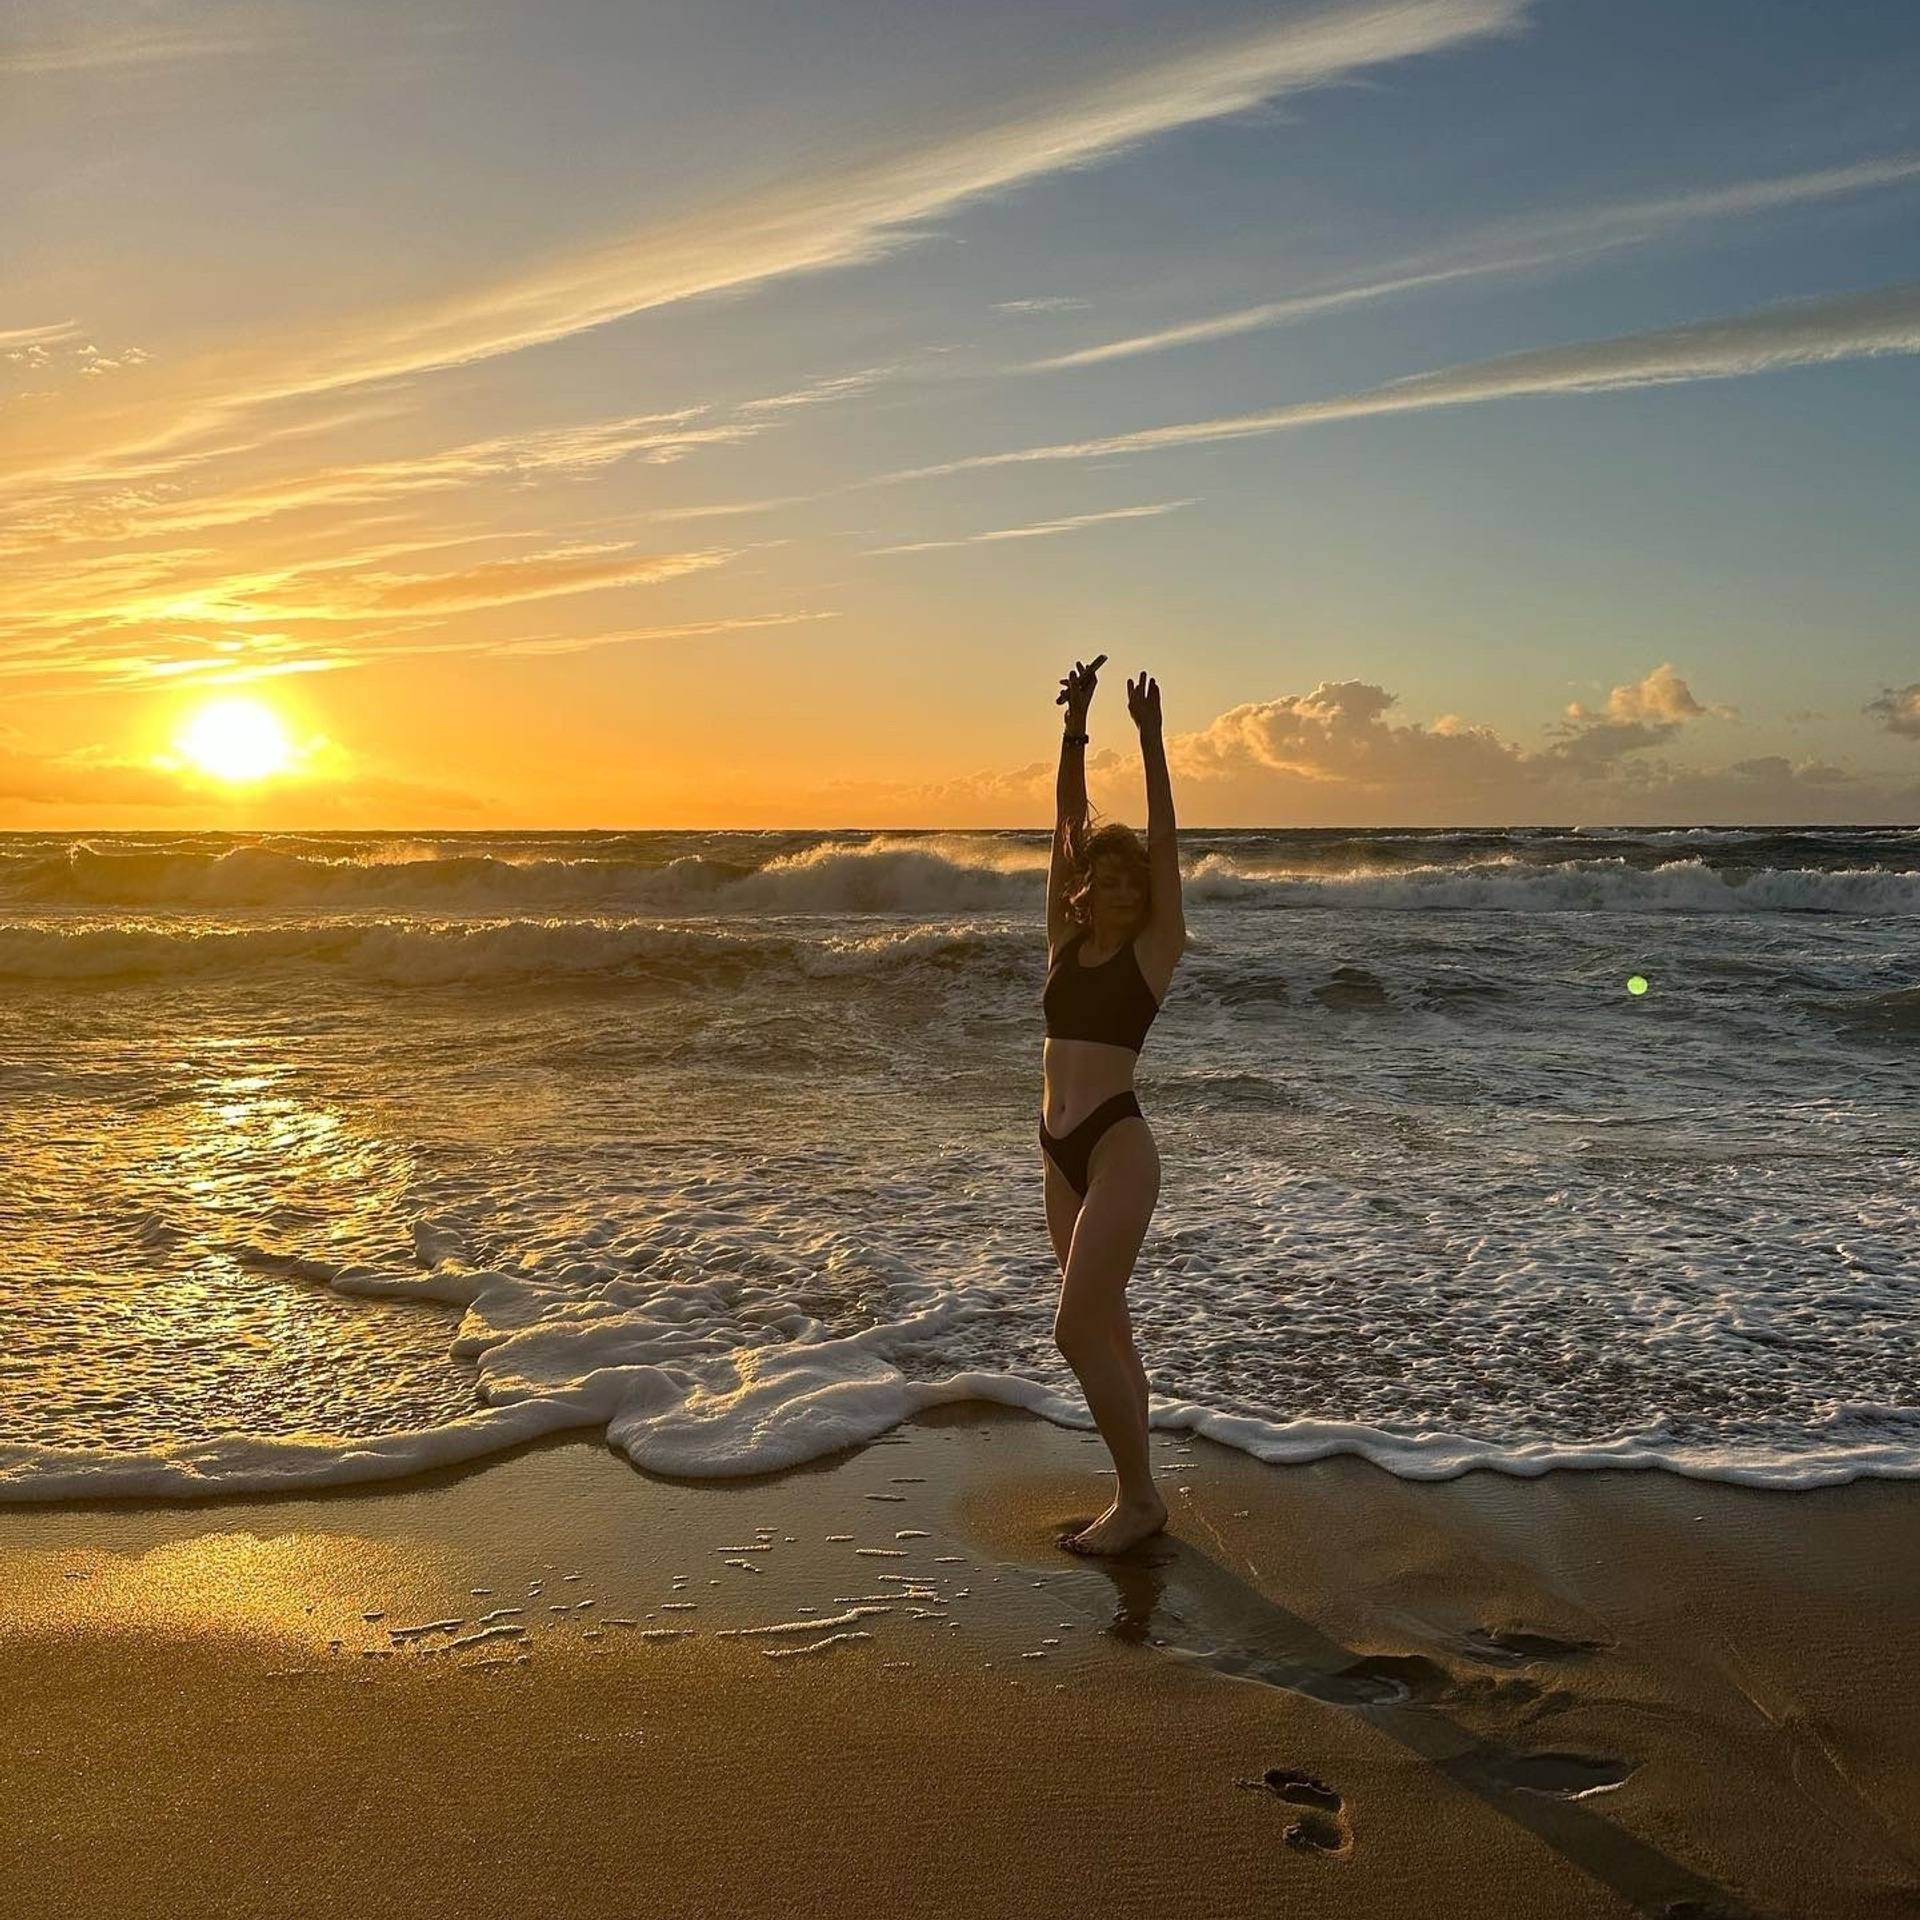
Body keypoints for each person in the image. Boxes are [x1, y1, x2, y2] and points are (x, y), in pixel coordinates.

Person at [1041, 653, 1185, 1555]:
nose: (1126, 890)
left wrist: (1152, 742)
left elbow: (1167, 848)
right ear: (1091, 890)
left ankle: (1138, 1501)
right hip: (1055, 1148)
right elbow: (1065, 825)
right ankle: (1140, 1489)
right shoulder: (1063, 936)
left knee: (1075, 1329)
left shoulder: (1154, 952)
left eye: (1137, 884)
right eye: (1113, 880)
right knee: (1112, 1330)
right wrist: (1075, 727)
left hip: (1116, 1149)